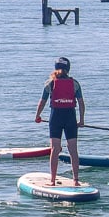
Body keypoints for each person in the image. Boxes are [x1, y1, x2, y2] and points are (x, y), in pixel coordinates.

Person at [34, 57, 85, 187]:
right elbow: (80, 102)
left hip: (55, 118)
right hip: (70, 118)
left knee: (55, 149)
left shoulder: (50, 83)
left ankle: (52, 180)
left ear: (55, 68)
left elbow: (43, 101)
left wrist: (37, 116)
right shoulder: (75, 83)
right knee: (73, 150)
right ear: (68, 69)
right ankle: (76, 180)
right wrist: (81, 120)